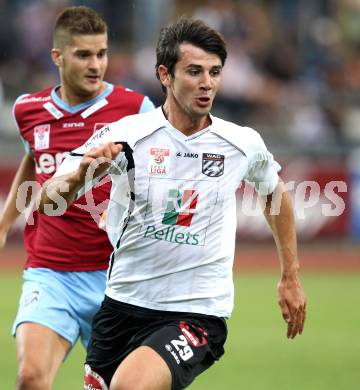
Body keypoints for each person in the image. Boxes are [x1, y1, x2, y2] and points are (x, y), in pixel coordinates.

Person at [40, 18, 306, 390]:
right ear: (164, 75)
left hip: (196, 311)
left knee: (131, 387)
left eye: (214, 72)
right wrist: (84, 173)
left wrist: (290, 276)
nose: (207, 83)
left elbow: (274, 194)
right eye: (194, 71)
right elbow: (49, 200)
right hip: (122, 305)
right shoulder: (127, 135)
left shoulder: (240, 142)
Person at [0, 6, 155, 390]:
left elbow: (158, 172)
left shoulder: (135, 109)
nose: (96, 64)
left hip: (116, 279)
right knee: (31, 377)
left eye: (101, 53)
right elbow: (35, 163)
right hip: (51, 273)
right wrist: (4, 224)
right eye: (84, 54)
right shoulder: (28, 110)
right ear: (58, 56)